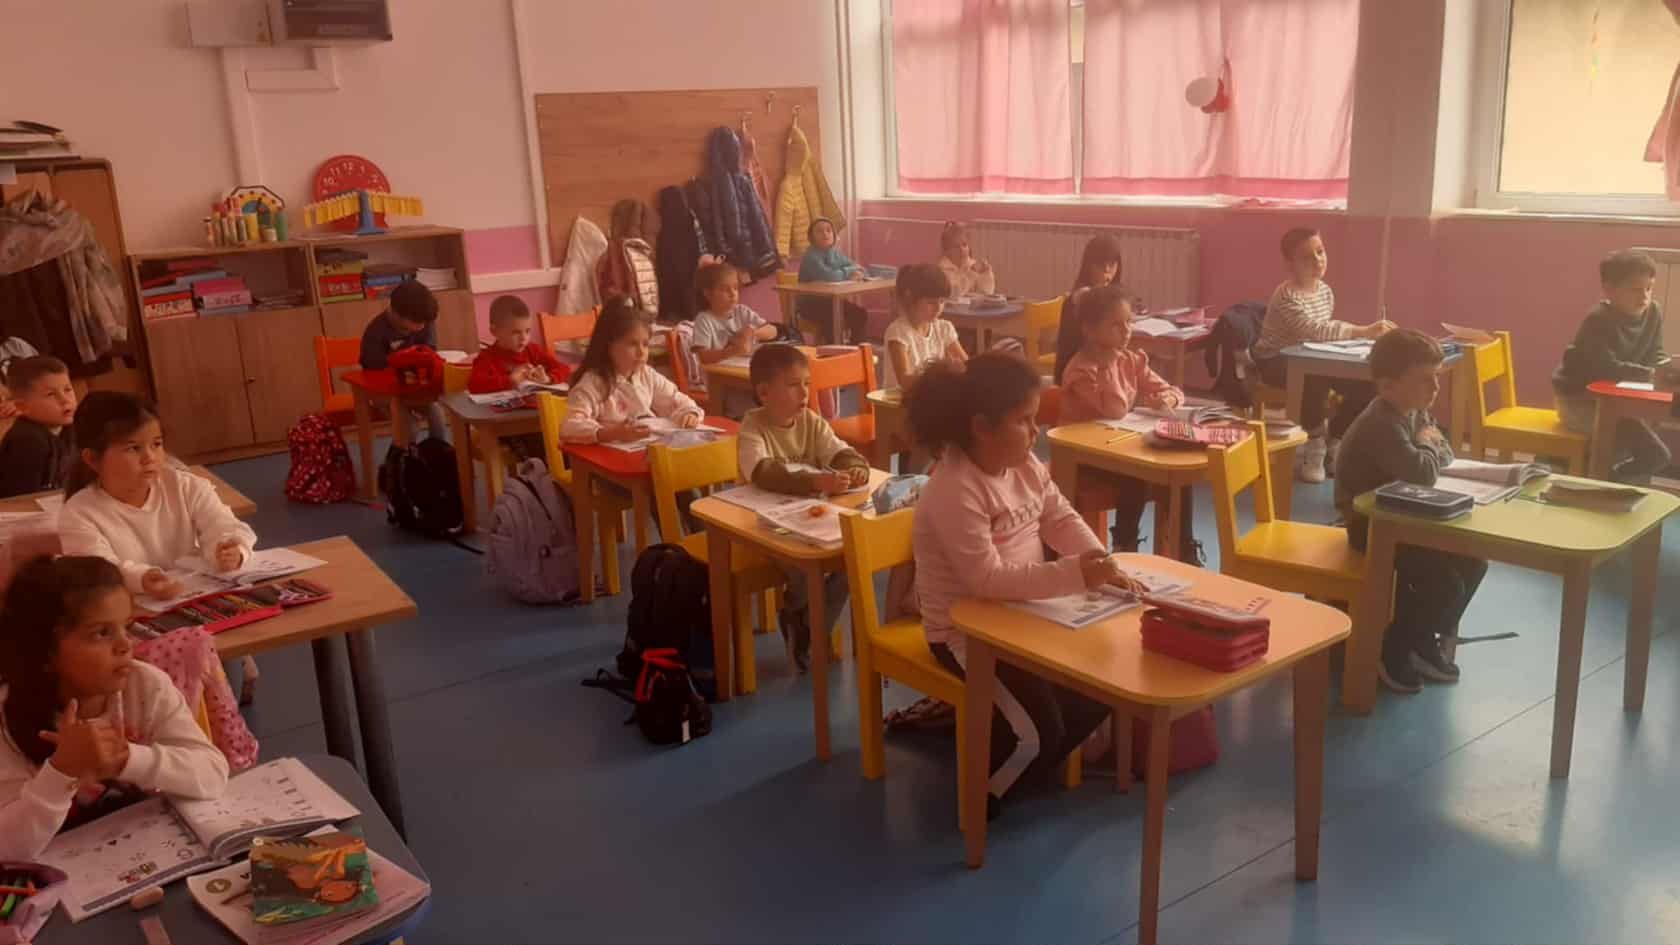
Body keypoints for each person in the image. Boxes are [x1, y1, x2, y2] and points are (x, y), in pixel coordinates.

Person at [909, 352, 1136, 817]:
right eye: (1024, 420)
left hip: (1026, 615)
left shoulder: (1023, 462)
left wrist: (1101, 560)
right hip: (966, 633)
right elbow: (986, 579)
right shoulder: (955, 487)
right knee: (1037, 735)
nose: (1037, 431)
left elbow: (1060, 517)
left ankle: (1017, 757)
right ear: (981, 427)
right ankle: (984, 798)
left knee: (1106, 686)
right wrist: (1076, 573)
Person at [0, 555, 229, 861]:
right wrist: (61, 772)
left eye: (127, 626)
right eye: (101, 633)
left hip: (146, 854)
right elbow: (7, 848)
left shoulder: (145, 686)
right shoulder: (7, 720)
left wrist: (127, 759)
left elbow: (212, 773)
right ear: (44, 652)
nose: (126, 645)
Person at [1336, 329, 1487, 694]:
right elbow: (1423, 471)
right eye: (1424, 379)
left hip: (1405, 517)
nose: (1435, 388)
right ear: (1388, 386)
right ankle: (1393, 648)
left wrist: (1427, 446)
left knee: (1474, 562)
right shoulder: (1382, 423)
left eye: (1437, 377)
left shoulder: (1413, 411)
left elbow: (1443, 450)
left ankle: (1422, 639)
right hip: (1369, 525)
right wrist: (1427, 447)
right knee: (1443, 582)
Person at [736, 344, 870, 671]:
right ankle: (803, 620)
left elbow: (839, 451)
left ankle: (806, 627)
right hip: (767, 527)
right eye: (794, 385)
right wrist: (815, 481)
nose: (805, 393)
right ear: (764, 392)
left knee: (851, 560)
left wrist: (855, 469)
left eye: (807, 384)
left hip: (809, 522)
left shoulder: (810, 421)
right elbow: (762, 472)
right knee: (803, 568)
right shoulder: (753, 426)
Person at [1059, 286, 1197, 559]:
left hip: (1118, 449)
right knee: (1137, 475)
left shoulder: (1130, 360)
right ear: (1089, 330)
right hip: (1084, 458)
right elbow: (1115, 409)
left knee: (1180, 478)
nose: (1126, 331)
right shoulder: (1081, 370)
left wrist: (1167, 399)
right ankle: (1125, 546)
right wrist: (1108, 364)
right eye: (1115, 325)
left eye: (1129, 322)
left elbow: (1173, 390)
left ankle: (1184, 549)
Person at [1250, 228, 1393, 484]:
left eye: (1320, 251)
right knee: (1312, 377)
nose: (1317, 260)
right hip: (1275, 360)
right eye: (1307, 257)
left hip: (1313, 355)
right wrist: (1363, 330)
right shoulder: (1286, 295)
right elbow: (1314, 331)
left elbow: (1323, 338)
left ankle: (1336, 439)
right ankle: (1314, 445)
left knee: (1369, 382)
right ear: (1290, 264)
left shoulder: (1325, 292)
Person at [1552, 249, 1671, 483]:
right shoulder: (1598, 320)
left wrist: (1666, 370)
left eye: (1649, 288)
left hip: (1619, 399)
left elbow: (1656, 353)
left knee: (1643, 442)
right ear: (1609, 290)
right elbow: (1605, 367)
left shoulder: (1653, 312)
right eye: (1635, 289)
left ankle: (1609, 479)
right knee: (1653, 453)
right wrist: (1650, 374)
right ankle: (1598, 479)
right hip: (1579, 401)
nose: (1644, 296)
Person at [560, 298, 703, 444]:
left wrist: (689, 413)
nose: (641, 352)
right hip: (609, 454)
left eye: (645, 344)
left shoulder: (646, 374)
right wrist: (611, 433)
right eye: (632, 344)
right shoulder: (593, 383)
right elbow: (569, 426)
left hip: (642, 448)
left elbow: (677, 400)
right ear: (609, 346)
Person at [467, 295, 571, 460]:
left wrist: (548, 379)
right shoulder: (487, 358)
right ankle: (541, 471)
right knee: (541, 446)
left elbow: (564, 368)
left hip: (538, 419)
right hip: (505, 425)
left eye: (527, 331)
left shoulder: (533, 350)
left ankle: (550, 470)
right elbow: (474, 385)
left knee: (560, 438)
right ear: (495, 331)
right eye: (516, 332)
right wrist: (509, 380)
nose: (523, 338)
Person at [359, 280, 447, 442]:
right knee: (409, 426)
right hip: (386, 393)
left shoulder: (423, 320)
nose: (421, 327)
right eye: (416, 323)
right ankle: (406, 455)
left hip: (416, 389)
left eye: (424, 323)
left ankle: (437, 451)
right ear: (395, 313)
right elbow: (372, 371)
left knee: (437, 416)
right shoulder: (375, 332)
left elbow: (429, 352)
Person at [689, 262, 779, 418]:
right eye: (725, 289)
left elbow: (773, 331)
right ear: (708, 294)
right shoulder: (704, 320)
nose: (733, 294)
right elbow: (704, 357)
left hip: (747, 375)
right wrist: (731, 351)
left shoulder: (742, 312)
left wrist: (753, 332)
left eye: (735, 288)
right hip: (723, 386)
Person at [1053, 233, 1126, 383]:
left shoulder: (1110, 294)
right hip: (1079, 373)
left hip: (1098, 368)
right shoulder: (1083, 296)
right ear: (1088, 266)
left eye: (1112, 264)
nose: (1107, 271)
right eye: (1100, 265)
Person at [0, 355, 77, 498]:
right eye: (50, 394)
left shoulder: (68, 427)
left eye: (67, 389)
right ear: (22, 406)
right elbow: (21, 499)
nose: (65, 400)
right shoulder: (28, 440)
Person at [883, 263, 967, 389]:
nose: (938, 308)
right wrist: (941, 371)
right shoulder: (898, 332)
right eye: (930, 302)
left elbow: (967, 365)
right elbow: (904, 381)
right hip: (902, 398)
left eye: (942, 301)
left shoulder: (944, 328)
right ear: (910, 298)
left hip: (930, 395)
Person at [795, 218, 870, 343]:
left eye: (828, 230)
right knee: (832, 318)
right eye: (819, 231)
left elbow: (860, 268)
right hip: (810, 304)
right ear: (811, 237)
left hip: (832, 301)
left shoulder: (835, 252)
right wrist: (848, 272)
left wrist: (856, 272)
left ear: (834, 235)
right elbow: (830, 277)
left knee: (860, 314)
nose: (825, 234)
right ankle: (832, 351)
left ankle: (856, 349)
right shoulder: (811, 256)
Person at [937, 221, 995, 298]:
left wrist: (986, 274)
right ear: (946, 251)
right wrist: (971, 274)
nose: (962, 250)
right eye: (956, 247)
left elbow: (987, 292)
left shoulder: (972, 265)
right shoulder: (942, 270)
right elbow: (954, 293)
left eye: (964, 245)